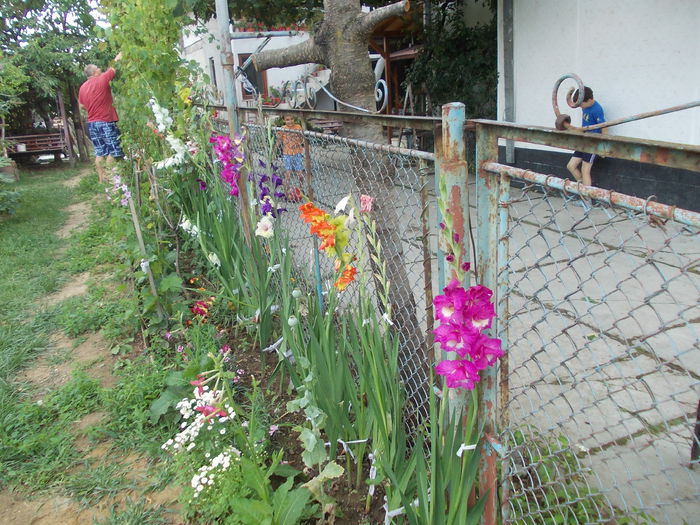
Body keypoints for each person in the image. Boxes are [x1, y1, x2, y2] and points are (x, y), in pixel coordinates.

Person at [78, 52, 124, 183]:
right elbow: (114, 66)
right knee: (113, 151)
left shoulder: (82, 87)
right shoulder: (102, 79)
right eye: (98, 68)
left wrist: (92, 106)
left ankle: (101, 180)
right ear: (94, 72)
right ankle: (111, 179)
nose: (100, 69)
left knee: (99, 152)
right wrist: (121, 54)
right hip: (106, 121)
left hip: (92, 123)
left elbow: (81, 105)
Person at [563, 86, 606, 187]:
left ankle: (587, 200)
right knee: (571, 166)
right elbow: (573, 104)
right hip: (583, 141)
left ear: (590, 100)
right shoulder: (585, 104)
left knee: (585, 170)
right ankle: (584, 190)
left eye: (581, 104)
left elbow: (605, 127)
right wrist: (570, 93)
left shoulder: (597, 109)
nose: (580, 107)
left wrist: (604, 148)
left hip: (593, 143)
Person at [277, 114, 305, 201]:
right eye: (288, 120)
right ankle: (286, 193)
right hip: (287, 154)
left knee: (300, 174)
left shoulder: (298, 127)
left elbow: (302, 138)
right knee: (287, 175)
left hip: (297, 153)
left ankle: (301, 190)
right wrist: (275, 151)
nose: (290, 121)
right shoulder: (282, 128)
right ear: (284, 121)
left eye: (292, 119)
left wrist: (302, 145)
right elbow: (278, 140)